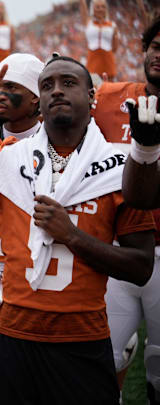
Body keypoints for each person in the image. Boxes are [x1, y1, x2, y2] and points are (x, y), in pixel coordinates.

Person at [0, 57, 155, 404]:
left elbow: (141, 266)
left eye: (68, 83)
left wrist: (71, 235)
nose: (56, 90)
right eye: (47, 85)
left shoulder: (119, 166)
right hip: (16, 336)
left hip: (83, 339)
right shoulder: (9, 158)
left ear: (91, 96)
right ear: (39, 103)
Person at [102, 17, 160, 404]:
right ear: (144, 50)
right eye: (155, 46)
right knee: (98, 357)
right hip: (117, 250)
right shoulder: (108, 98)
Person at [79, 0, 118, 81]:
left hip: (108, 62)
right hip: (92, 62)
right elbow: (83, 6)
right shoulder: (88, 23)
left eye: (103, 7)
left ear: (106, 9)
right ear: (92, 9)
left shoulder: (113, 26)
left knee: (109, 89)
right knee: (93, 88)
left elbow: (115, 48)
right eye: (97, 7)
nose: (100, 9)